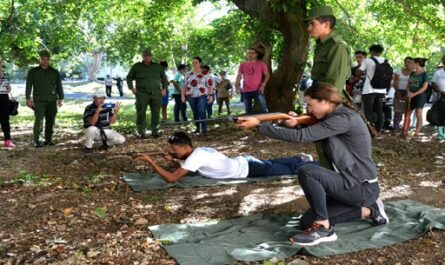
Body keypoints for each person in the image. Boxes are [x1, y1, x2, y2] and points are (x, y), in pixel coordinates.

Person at [237, 82, 388, 246]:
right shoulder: (333, 116)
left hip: (361, 186)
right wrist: (298, 122)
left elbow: (301, 137)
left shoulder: (343, 118)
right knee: (306, 222)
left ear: (325, 101)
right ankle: (370, 211)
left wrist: (260, 126)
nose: (308, 109)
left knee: (308, 171)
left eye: (310, 104)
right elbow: (311, 130)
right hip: (347, 182)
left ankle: (324, 229)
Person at [136, 131, 312, 182]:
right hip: (246, 162)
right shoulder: (198, 152)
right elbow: (186, 163)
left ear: (186, 147)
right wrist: (174, 159)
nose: (172, 151)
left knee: (287, 170)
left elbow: (172, 179)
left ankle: (308, 165)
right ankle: (299, 157)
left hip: (248, 169)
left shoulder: (194, 158)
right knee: (272, 163)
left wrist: (151, 162)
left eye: (174, 149)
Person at [306, 6, 351, 99]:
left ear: (326, 25)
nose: (309, 28)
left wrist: (323, 106)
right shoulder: (321, 45)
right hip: (319, 97)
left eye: (312, 23)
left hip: (328, 102)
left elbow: (334, 86)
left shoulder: (337, 46)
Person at [126, 48, 168, 138]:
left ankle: (155, 130)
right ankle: (141, 131)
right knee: (141, 113)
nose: (147, 57)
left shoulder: (157, 66)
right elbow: (129, 77)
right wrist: (132, 88)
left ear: (151, 56)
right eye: (145, 56)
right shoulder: (136, 66)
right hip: (142, 93)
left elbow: (164, 78)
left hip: (156, 93)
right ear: (142, 56)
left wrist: (164, 88)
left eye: (148, 56)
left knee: (156, 112)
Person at [26, 50, 64, 147]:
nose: (45, 61)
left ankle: (48, 139)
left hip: (52, 100)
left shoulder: (55, 72)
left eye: (47, 59)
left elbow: (59, 86)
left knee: (50, 120)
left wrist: (61, 98)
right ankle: (36, 140)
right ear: (40, 59)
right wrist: (28, 98)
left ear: (49, 60)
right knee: (39, 120)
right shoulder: (33, 72)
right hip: (39, 100)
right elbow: (28, 85)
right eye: (43, 59)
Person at [357, 44, 390, 134]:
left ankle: (369, 130)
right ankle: (379, 129)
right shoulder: (386, 61)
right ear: (381, 52)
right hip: (381, 90)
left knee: (368, 110)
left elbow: (358, 72)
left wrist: (361, 67)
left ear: (371, 51)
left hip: (369, 90)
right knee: (380, 110)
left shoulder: (367, 60)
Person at [181, 56, 214, 135]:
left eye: (196, 62)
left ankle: (204, 129)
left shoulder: (206, 74)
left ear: (200, 63)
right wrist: (182, 96)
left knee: (202, 111)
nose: (194, 64)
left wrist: (211, 96)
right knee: (195, 112)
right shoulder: (188, 74)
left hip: (202, 95)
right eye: (193, 63)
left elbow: (210, 86)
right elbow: (184, 86)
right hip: (191, 96)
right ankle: (197, 128)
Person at [235, 46, 269, 114]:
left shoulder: (261, 64)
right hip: (246, 90)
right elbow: (239, 76)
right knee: (248, 111)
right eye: (248, 53)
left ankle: (266, 123)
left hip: (258, 90)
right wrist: (237, 86)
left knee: (264, 109)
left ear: (256, 54)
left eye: (252, 53)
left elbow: (267, 75)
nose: (250, 55)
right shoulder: (243, 64)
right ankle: (251, 124)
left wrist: (263, 84)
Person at [405, 58, 430, 138]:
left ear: (418, 64)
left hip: (420, 96)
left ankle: (417, 132)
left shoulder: (424, 74)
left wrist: (414, 94)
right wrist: (409, 92)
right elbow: (409, 84)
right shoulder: (412, 73)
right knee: (408, 113)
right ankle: (405, 130)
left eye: (412, 63)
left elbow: (424, 87)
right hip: (411, 95)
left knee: (418, 113)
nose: (411, 65)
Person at [393, 57, 413, 131]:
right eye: (406, 62)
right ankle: (395, 128)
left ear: (412, 63)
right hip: (399, 91)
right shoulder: (399, 71)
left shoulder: (413, 73)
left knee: (407, 111)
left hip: (409, 93)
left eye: (409, 62)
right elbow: (395, 82)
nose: (407, 64)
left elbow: (412, 85)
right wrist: (397, 92)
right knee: (397, 111)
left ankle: (405, 130)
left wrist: (408, 94)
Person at [0, 61, 15, 147]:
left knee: (5, 121)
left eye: (0, 65)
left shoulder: (5, 76)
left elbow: (7, 87)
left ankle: (8, 140)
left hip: (5, 99)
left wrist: (9, 88)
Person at [431, 55, 445, 141]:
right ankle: (440, 134)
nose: (444, 60)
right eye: (443, 59)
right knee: (440, 115)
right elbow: (433, 83)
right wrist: (439, 91)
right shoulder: (438, 72)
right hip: (440, 97)